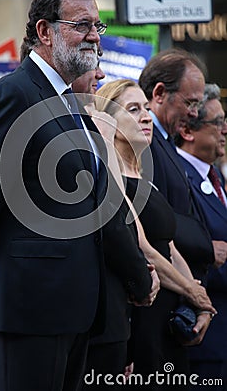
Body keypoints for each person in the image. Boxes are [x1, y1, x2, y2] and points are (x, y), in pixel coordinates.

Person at [0, 0, 155, 391]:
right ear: (45, 31)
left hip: (78, 309)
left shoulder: (74, 101)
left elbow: (99, 207)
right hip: (29, 307)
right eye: (81, 25)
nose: (94, 37)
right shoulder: (15, 93)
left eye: (98, 26)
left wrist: (135, 274)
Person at [92, 79, 216, 389]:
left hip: (170, 318)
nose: (147, 116)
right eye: (133, 110)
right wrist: (191, 291)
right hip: (143, 316)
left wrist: (198, 302)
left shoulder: (145, 175)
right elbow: (143, 246)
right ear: (108, 121)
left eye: (146, 108)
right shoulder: (112, 178)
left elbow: (170, 247)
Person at [139, 48, 227, 284]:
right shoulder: (145, 143)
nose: (194, 113)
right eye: (190, 103)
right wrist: (206, 246)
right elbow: (155, 218)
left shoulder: (165, 141)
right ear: (159, 93)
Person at [175, 83, 227, 388]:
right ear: (188, 131)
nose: (224, 130)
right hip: (205, 335)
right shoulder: (181, 177)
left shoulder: (213, 174)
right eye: (217, 122)